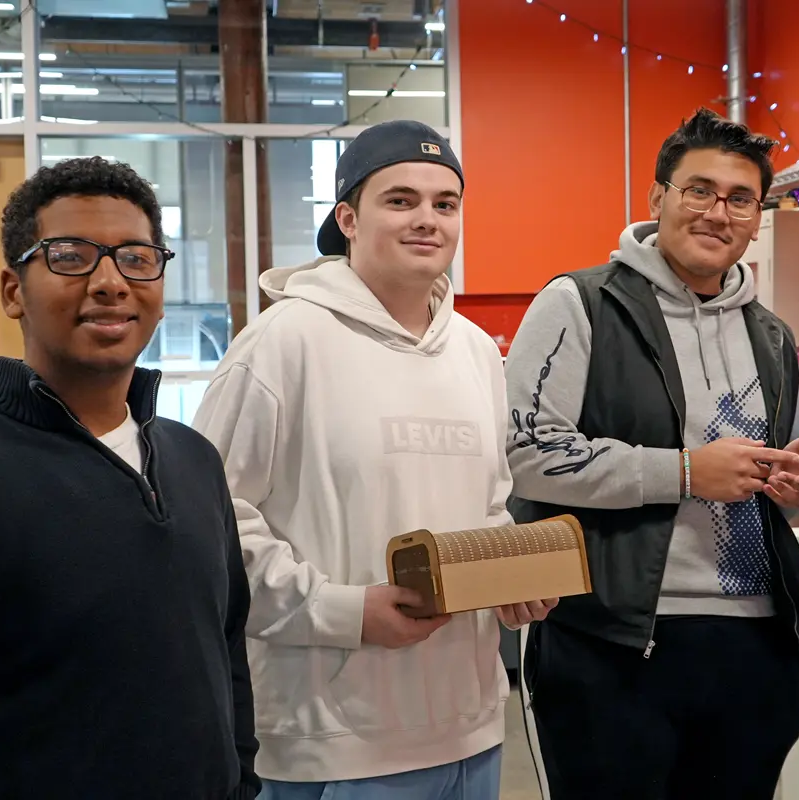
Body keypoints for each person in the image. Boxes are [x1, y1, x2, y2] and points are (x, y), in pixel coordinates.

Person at [191, 118, 555, 800]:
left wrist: (511, 573)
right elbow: (210, 525)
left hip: (471, 724)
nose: (428, 219)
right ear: (349, 219)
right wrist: (345, 611)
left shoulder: (476, 351)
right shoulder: (281, 344)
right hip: (331, 740)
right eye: (401, 200)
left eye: (445, 203)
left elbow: (488, 504)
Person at [503, 107, 799, 799]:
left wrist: (796, 491)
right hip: (614, 642)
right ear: (658, 198)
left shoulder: (771, 334)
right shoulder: (580, 303)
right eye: (698, 190)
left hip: (756, 645)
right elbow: (529, 452)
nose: (718, 212)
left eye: (740, 198)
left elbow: (779, 482)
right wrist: (682, 472)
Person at [0, 157, 260, 799]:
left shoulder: (194, 460)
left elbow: (226, 658)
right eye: (70, 256)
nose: (111, 282)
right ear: (12, 290)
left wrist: (240, 779)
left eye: (136, 258)